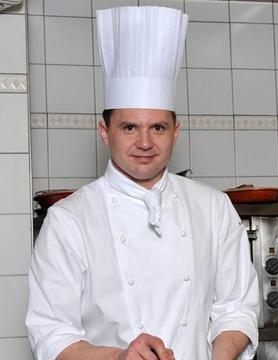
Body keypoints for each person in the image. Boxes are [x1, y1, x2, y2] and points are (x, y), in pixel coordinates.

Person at [26, 6, 259, 360]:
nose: (145, 143)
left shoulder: (212, 208)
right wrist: (121, 358)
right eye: (130, 127)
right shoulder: (68, 221)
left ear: (175, 132)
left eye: (158, 128)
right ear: (105, 132)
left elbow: (237, 308)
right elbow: (52, 337)